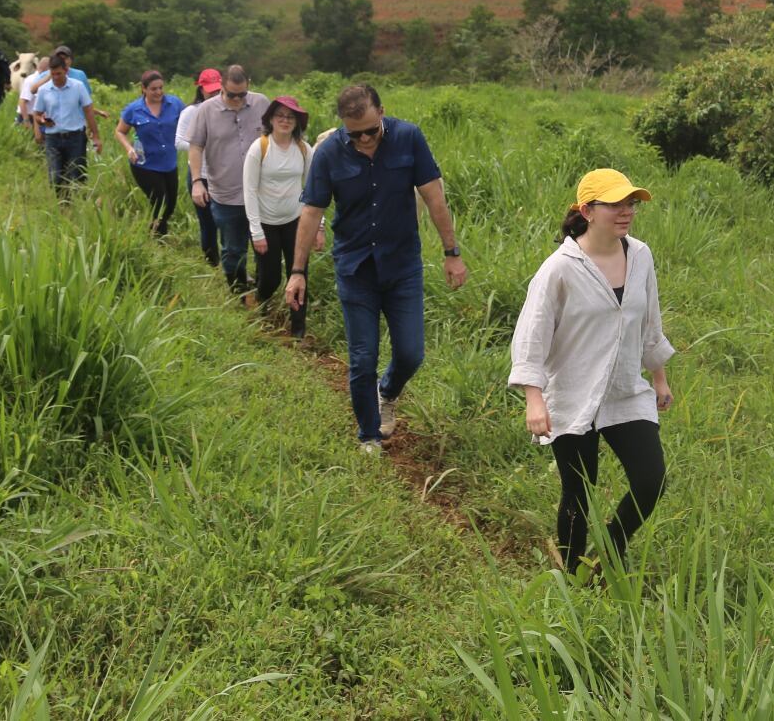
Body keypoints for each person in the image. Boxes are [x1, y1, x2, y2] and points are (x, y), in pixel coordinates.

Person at [508, 169, 674, 577]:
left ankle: (612, 550)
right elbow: (532, 334)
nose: (626, 212)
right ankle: (572, 578)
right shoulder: (560, 269)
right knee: (578, 494)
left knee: (652, 479)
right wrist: (534, 398)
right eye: (615, 204)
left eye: (631, 203)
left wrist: (659, 377)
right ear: (587, 210)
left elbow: (649, 321)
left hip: (623, 392)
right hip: (573, 394)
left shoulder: (640, 256)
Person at [287, 83, 467, 454]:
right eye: (356, 134)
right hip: (356, 269)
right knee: (362, 357)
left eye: (372, 130)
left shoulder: (408, 138)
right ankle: (368, 435)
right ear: (343, 127)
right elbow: (311, 213)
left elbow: (434, 196)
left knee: (411, 353)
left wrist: (452, 251)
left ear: (382, 112)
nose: (366, 140)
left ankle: (388, 392)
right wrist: (297, 271)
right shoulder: (329, 153)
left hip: (402, 266)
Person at [243, 96, 323, 338]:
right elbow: (249, 190)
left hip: (296, 222)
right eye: (280, 116)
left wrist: (319, 226)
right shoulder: (260, 148)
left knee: (298, 273)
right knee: (270, 277)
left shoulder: (304, 149)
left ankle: (298, 328)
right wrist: (256, 232)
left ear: (298, 122)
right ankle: (263, 307)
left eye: (290, 117)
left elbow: (315, 191)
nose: (285, 121)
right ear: (270, 119)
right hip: (266, 222)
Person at [187, 65, 270, 295]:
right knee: (233, 249)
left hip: (261, 192)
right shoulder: (205, 110)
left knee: (265, 247)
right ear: (221, 87)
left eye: (242, 94)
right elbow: (195, 146)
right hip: (225, 193)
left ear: (249, 85)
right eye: (231, 94)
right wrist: (196, 181)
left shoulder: (262, 103)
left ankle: (264, 295)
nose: (236, 100)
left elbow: (277, 136)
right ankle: (239, 293)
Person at [115, 70, 185, 236]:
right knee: (160, 201)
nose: (159, 92)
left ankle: (153, 228)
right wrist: (129, 148)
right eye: (154, 89)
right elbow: (119, 131)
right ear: (144, 89)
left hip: (169, 162)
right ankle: (158, 239)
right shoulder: (134, 109)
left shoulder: (174, 104)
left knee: (171, 204)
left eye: (161, 88)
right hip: (144, 163)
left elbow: (189, 121)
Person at [30, 53, 101, 195]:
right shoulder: (44, 90)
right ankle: (63, 206)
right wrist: (41, 122)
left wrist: (96, 136)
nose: (56, 77)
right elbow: (37, 114)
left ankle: (80, 206)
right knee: (55, 177)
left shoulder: (78, 86)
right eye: (53, 74)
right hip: (53, 138)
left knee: (77, 174)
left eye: (59, 74)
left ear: (66, 71)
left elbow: (88, 111)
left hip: (75, 137)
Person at [175, 68, 223, 266]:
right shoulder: (191, 112)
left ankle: (233, 263)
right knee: (208, 223)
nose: (214, 95)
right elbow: (178, 142)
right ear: (201, 89)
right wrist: (204, 145)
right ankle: (212, 262)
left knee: (229, 222)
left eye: (217, 90)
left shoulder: (227, 110)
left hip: (224, 175)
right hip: (200, 175)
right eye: (210, 91)